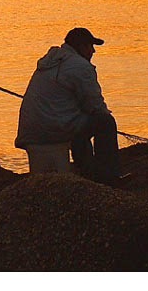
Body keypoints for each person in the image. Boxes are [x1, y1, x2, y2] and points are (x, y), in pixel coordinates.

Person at [14, 27, 121, 184]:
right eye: (90, 47)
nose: (93, 51)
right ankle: (108, 178)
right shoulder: (81, 66)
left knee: (80, 123)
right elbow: (95, 105)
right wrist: (102, 112)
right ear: (81, 47)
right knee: (105, 122)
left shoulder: (50, 62)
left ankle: (86, 171)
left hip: (30, 129)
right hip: (54, 127)